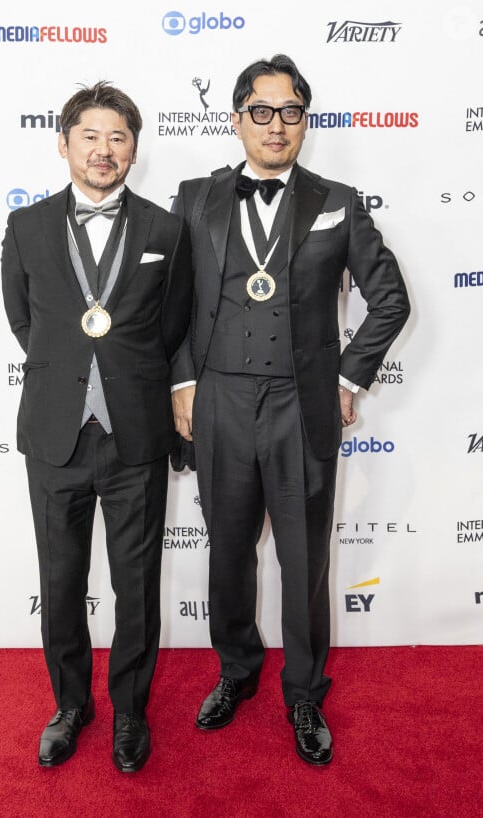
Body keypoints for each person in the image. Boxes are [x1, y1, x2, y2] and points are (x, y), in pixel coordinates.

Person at [171, 54, 410, 765]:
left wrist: (350, 377)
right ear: (237, 116)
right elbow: (170, 306)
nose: (277, 126)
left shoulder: (340, 198)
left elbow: (390, 298)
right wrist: (183, 384)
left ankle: (304, 693)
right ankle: (237, 671)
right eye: (262, 111)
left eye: (292, 112)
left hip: (301, 404)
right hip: (218, 399)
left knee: (304, 560)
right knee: (228, 552)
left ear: (305, 121)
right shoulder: (193, 199)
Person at [1, 81, 192, 773]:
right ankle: (71, 704)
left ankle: (131, 712)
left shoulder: (167, 230)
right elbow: (27, 322)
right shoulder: (25, 227)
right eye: (91, 136)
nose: (104, 149)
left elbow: (172, 327)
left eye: (118, 137)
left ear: (134, 149)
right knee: (60, 579)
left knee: (136, 584)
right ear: (64, 143)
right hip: (55, 434)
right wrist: (72, 377)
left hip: (136, 434)